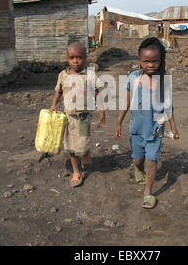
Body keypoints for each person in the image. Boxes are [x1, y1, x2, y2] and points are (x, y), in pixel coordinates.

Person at [115, 37, 179, 209]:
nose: (150, 65)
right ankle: (137, 168)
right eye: (146, 61)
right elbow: (126, 102)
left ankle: (148, 192)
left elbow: (168, 106)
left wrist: (173, 127)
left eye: (154, 61)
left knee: (152, 160)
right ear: (140, 61)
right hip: (136, 129)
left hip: (155, 129)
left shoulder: (163, 82)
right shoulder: (133, 78)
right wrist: (119, 122)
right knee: (138, 159)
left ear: (160, 61)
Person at [50, 41, 105, 187]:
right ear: (67, 58)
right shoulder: (63, 75)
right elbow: (58, 91)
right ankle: (76, 171)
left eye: (79, 57)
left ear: (85, 58)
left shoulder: (89, 75)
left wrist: (102, 110)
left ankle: (86, 154)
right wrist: (54, 104)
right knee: (70, 147)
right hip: (68, 117)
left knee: (83, 144)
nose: (75, 61)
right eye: (72, 57)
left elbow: (97, 92)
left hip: (83, 117)